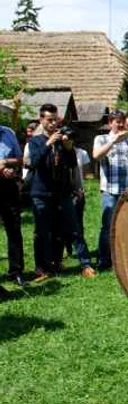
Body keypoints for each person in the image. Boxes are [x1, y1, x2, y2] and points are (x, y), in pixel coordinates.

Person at [29, 104, 94, 279]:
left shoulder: (61, 139)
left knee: (74, 228)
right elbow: (34, 163)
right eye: (49, 120)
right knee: (42, 232)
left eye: (55, 120)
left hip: (63, 192)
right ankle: (42, 268)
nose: (53, 124)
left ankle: (86, 264)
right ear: (41, 120)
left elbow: (72, 163)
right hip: (41, 193)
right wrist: (47, 144)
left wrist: (67, 146)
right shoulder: (35, 141)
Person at [93, 110, 128, 270]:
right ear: (110, 123)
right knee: (108, 226)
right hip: (110, 190)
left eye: (122, 121)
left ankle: (123, 260)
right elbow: (96, 156)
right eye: (117, 122)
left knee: (126, 225)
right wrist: (113, 141)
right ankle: (104, 260)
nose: (120, 124)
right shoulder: (101, 138)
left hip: (127, 191)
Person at [0, 124, 26, 286]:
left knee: (14, 229)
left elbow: (21, 159)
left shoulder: (8, 132)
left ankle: (16, 272)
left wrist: (7, 163)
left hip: (8, 186)